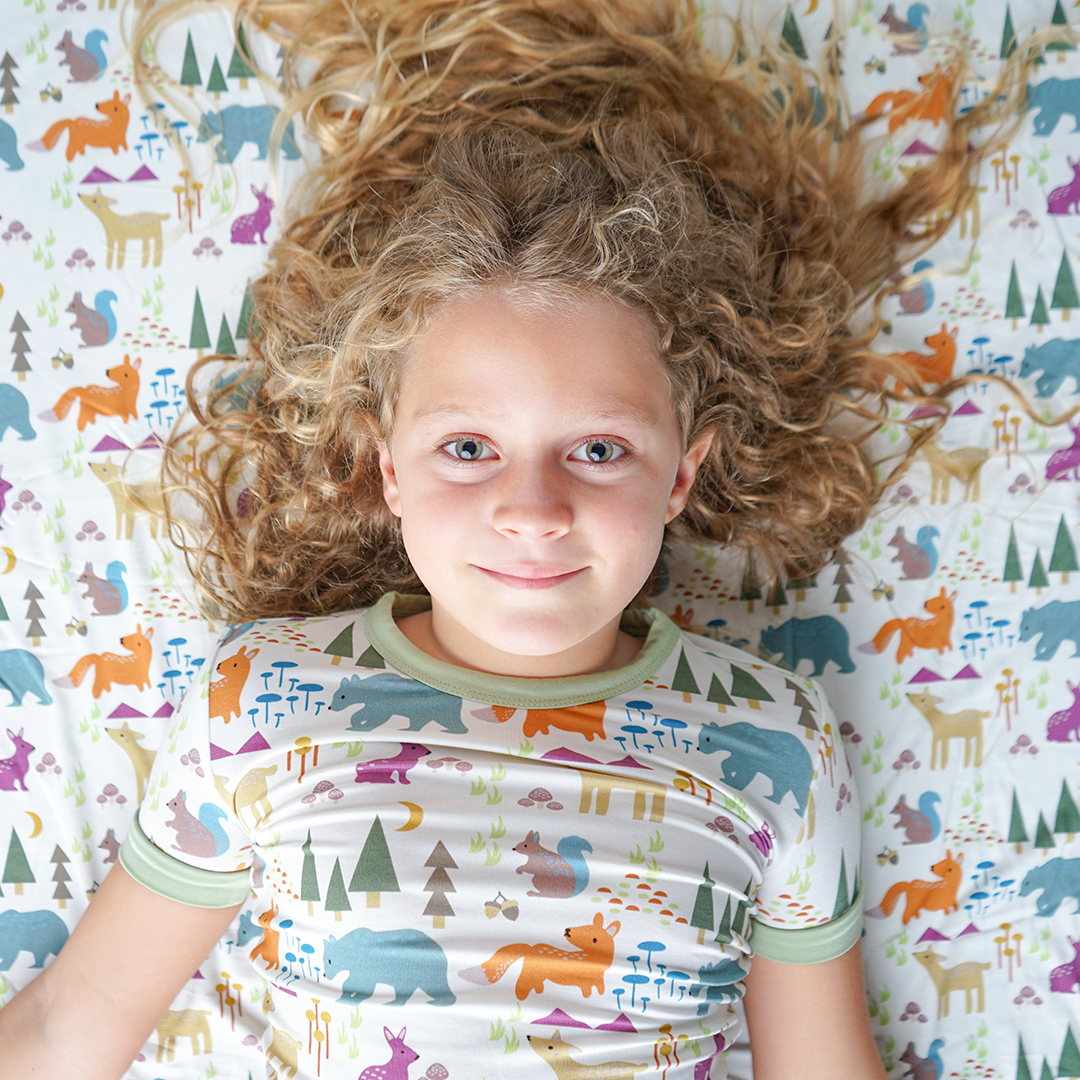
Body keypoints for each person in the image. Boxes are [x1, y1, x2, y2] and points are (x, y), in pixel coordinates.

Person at [0, 1, 1021, 1078]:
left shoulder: (775, 743)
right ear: (387, 466)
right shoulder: (259, 704)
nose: (533, 512)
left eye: (597, 452)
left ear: (682, 473)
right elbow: (70, 1028)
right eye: (470, 449)